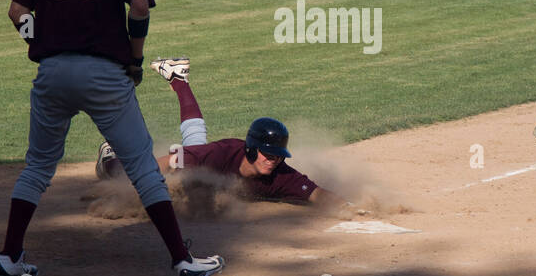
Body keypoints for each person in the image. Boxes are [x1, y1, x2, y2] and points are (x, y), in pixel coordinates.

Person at [0, 0, 224, 276]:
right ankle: (183, 262)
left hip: (53, 72)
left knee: (38, 167)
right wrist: (136, 60)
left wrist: (35, 40)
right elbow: (139, 8)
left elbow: (16, 12)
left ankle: (8, 257)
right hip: (104, 74)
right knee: (142, 169)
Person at [95, 57, 353, 211]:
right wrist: (130, 188)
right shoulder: (220, 155)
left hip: (202, 169)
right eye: (268, 153)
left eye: (277, 155)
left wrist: (348, 206)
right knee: (123, 173)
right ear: (252, 148)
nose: (272, 159)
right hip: (186, 175)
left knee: (196, 139)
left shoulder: (281, 174)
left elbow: (316, 193)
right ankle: (110, 155)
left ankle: (177, 77)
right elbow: (168, 162)